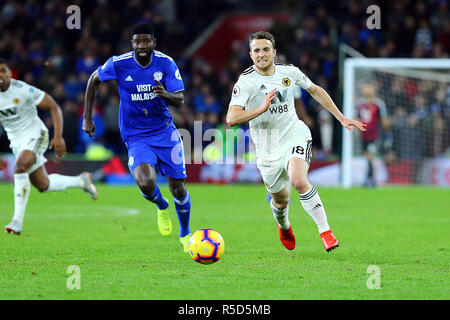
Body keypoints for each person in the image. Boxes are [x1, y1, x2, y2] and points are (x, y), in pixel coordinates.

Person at [226, 31, 366, 251]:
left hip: (294, 134)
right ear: (250, 54)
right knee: (281, 201)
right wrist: (261, 108)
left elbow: (315, 91)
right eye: (256, 50)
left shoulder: (289, 72)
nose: (261, 54)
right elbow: (231, 118)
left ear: (274, 52)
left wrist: (341, 117)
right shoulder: (246, 82)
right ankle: (283, 226)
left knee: (299, 180)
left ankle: (326, 231)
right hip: (267, 149)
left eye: (265, 49)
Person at [82, 23, 192, 252]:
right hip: (136, 136)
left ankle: (185, 232)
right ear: (132, 43)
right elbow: (93, 79)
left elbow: (179, 99)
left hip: (165, 132)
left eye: (146, 41)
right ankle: (162, 206)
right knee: (145, 182)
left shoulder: (166, 63)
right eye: (137, 42)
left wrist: (165, 93)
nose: (141, 46)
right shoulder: (119, 63)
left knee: (178, 189)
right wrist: (87, 117)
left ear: (154, 42)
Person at [0, 58, 98, 235]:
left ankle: (17, 222)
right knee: (43, 185)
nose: (1, 76)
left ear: (9, 72)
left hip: (35, 134)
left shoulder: (22, 90)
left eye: (3, 71)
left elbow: (53, 106)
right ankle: (81, 181)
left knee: (20, 166)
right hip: (16, 141)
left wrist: (58, 137)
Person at [356, 83, 389, 187]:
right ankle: (370, 179)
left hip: (375, 135)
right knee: (367, 157)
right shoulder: (359, 104)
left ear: (373, 90)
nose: (367, 90)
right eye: (365, 88)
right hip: (363, 136)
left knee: (371, 156)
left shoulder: (379, 104)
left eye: (369, 88)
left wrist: (387, 132)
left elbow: (384, 121)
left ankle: (370, 180)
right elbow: (355, 118)